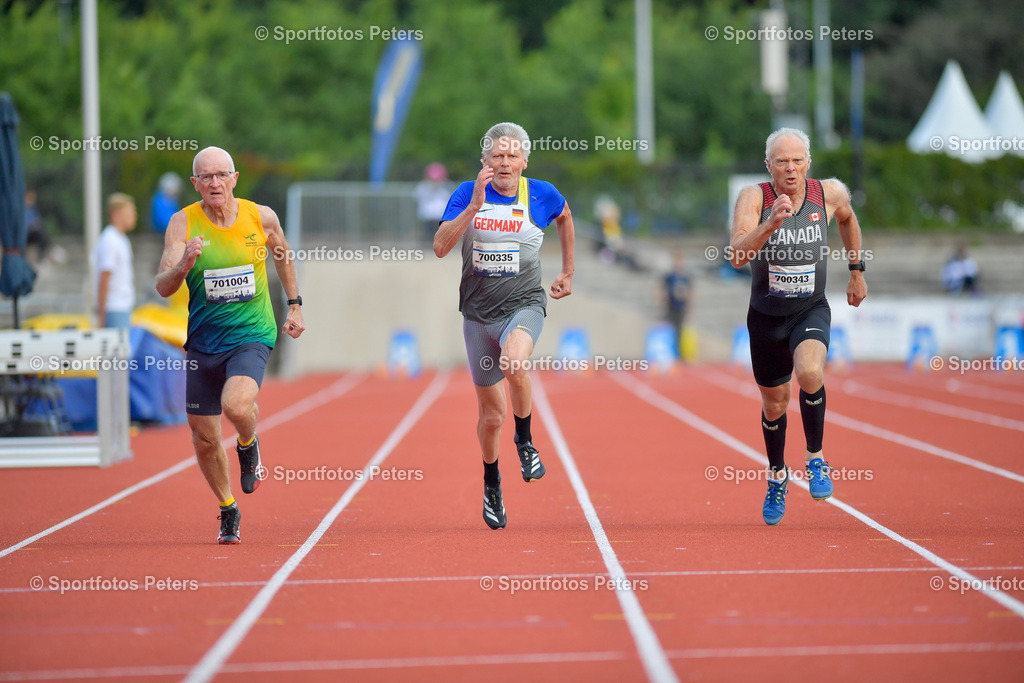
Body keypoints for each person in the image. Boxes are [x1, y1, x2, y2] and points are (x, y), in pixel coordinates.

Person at [155, 146, 305, 545]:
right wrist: (183, 264)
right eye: (205, 177)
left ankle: (248, 442)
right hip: (203, 344)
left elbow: (282, 254)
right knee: (203, 438)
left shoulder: (261, 216)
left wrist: (295, 305)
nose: (214, 183)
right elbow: (163, 286)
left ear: (235, 178)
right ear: (195, 184)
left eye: (221, 175)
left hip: (251, 335)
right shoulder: (182, 224)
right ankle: (227, 508)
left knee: (236, 405)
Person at [433, 122, 575, 530]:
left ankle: (526, 441)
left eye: (512, 156)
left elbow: (565, 217)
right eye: (497, 156)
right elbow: (441, 247)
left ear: (525, 161)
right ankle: (492, 483)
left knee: (515, 362)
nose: (505, 163)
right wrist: (474, 206)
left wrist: (568, 270)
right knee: (492, 416)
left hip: (525, 304)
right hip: (477, 315)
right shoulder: (466, 194)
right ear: (485, 161)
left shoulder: (541, 194)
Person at [729, 127, 867, 526]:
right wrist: (769, 224)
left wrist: (856, 271)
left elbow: (848, 219)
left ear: (808, 162)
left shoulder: (829, 194)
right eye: (781, 161)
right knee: (774, 403)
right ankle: (776, 477)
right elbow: (737, 255)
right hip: (766, 317)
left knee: (810, 371)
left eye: (797, 160)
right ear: (768, 165)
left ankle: (816, 458)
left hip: (810, 308)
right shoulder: (755, 198)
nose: (790, 169)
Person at [93, 193, 137, 329]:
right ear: (116, 214)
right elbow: (104, 277)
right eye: (129, 213)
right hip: (114, 307)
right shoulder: (110, 240)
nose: (134, 217)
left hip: (123, 305)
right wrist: (101, 315)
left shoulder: (122, 239)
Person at [662, 250, 692, 358]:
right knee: (669, 331)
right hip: (671, 306)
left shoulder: (685, 276)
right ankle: (669, 353)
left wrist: (689, 306)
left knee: (679, 332)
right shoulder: (670, 276)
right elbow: (663, 289)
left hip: (680, 307)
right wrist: (663, 302)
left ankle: (678, 354)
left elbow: (689, 292)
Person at [415, 162, 452, 243]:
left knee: (439, 233)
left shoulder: (444, 189)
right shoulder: (423, 187)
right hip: (427, 216)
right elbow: (419, 198)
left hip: (439, 216)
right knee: (427, 233)